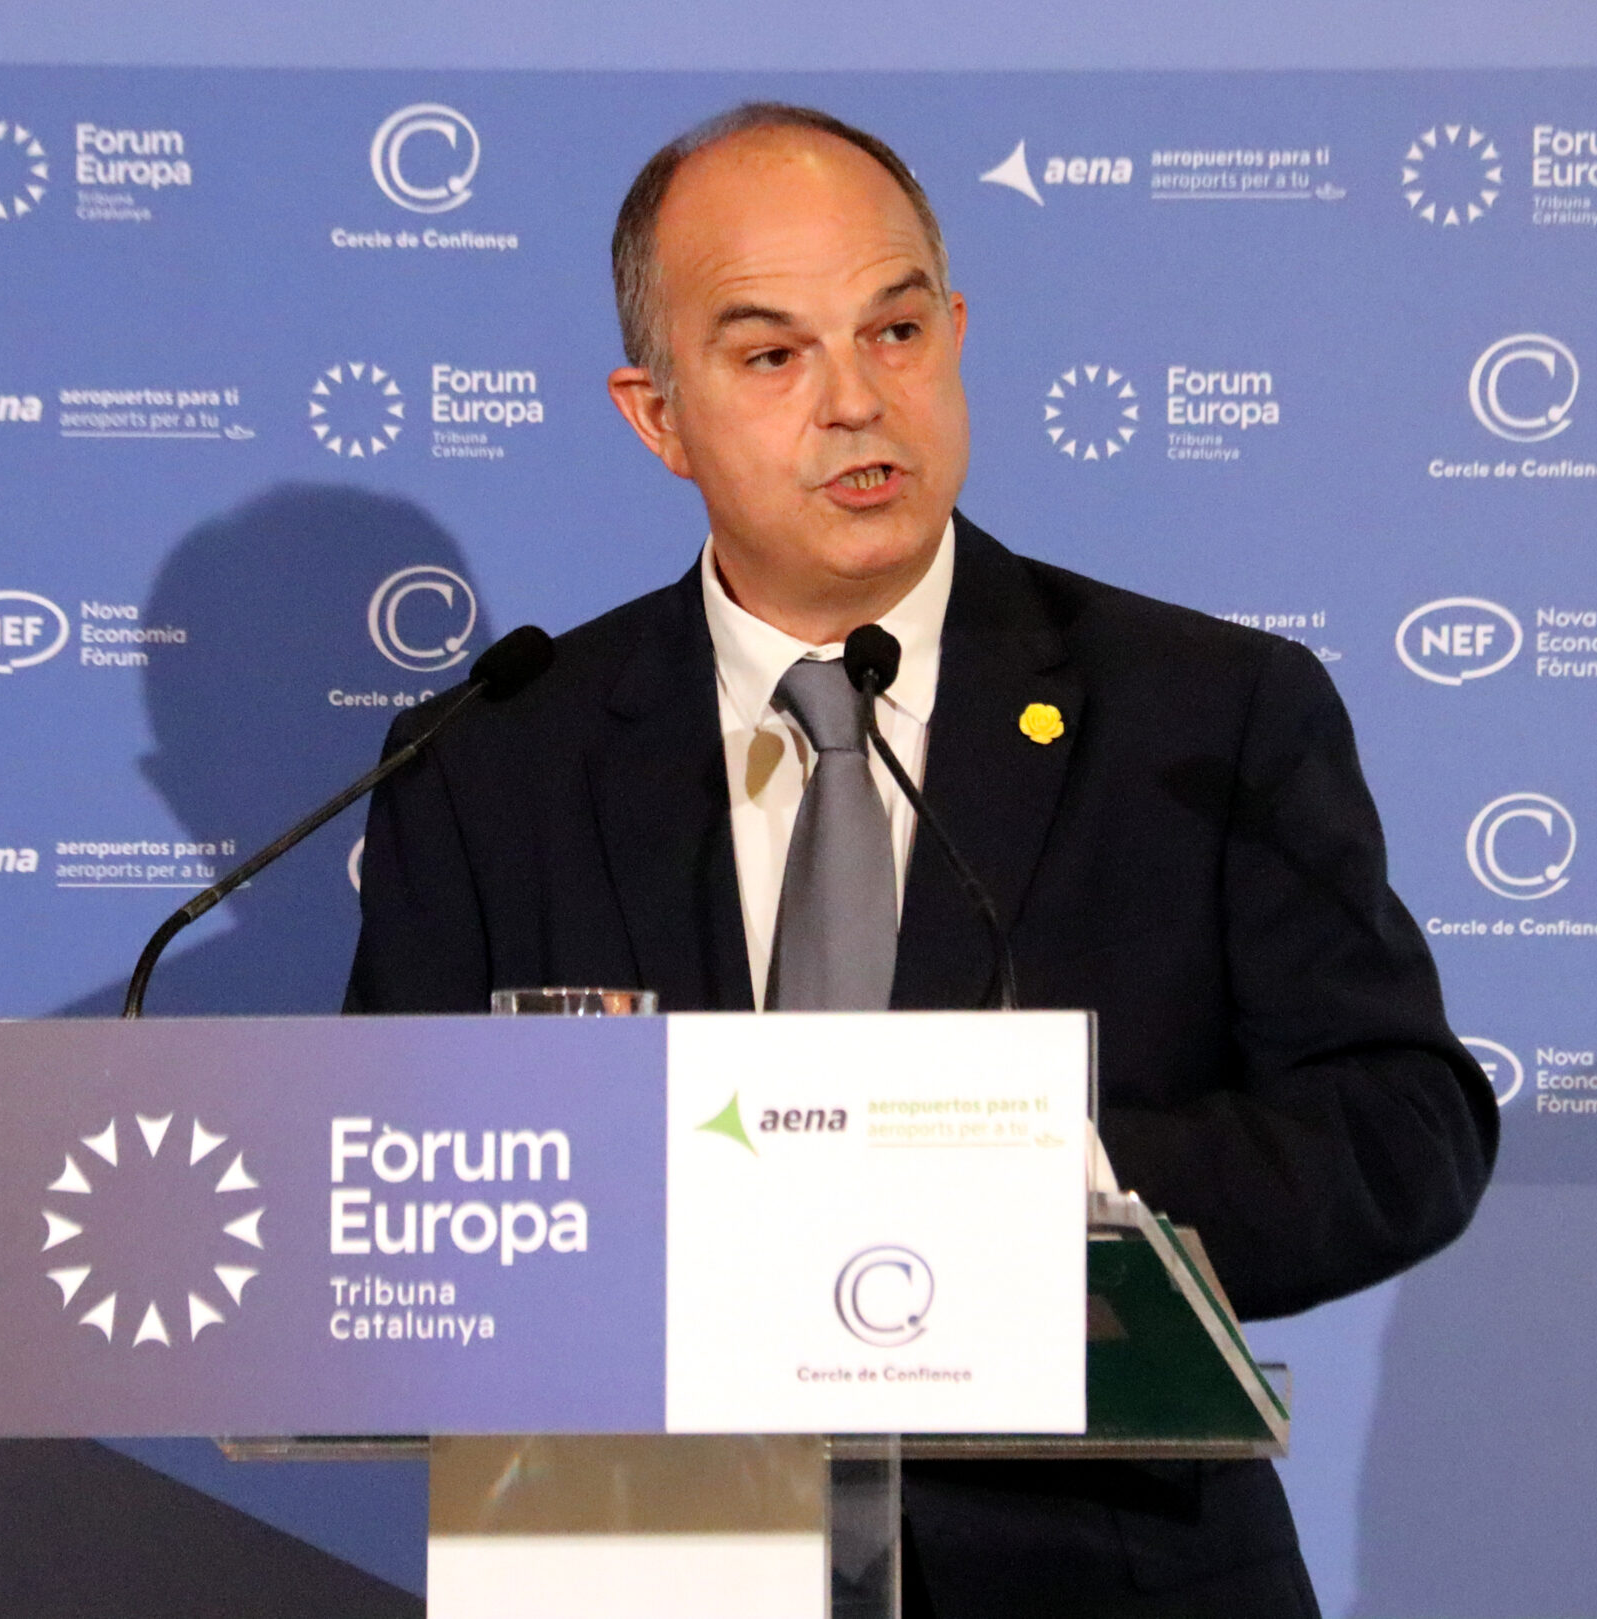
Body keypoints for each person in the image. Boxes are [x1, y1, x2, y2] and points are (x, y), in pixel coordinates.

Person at [347, 101, 1496, 1618]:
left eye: (893, 332)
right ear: (657, 414)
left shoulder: (1203, 714)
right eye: (772, 356)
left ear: (954, 336)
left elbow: (1402, 1128)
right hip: (641, 1563)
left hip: (1098, 1580)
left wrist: (1050, 1187)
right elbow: (401, 1204)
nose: (855, 402)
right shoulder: (495, 762)